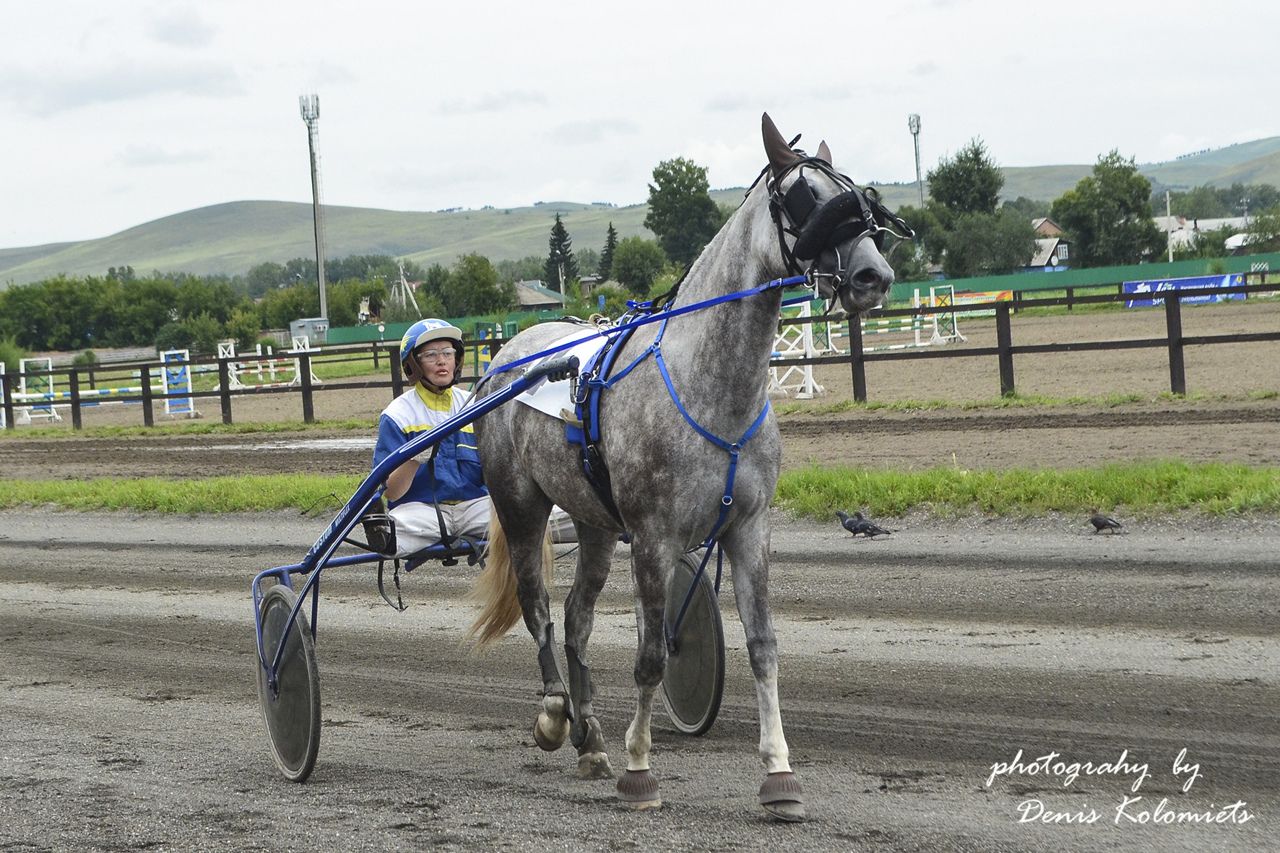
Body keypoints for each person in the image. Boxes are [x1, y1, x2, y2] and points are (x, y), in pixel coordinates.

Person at [372, 318, 489, 556]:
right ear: (413, 365)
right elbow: (392, 492)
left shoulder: (475, 406)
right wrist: (414, 458)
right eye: (431, 355)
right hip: (420, 513)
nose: (441, 360)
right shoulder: (398, 415)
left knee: (531, 517)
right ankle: (382, 534)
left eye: (448, 352)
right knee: (390, 537)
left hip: (475, 508)